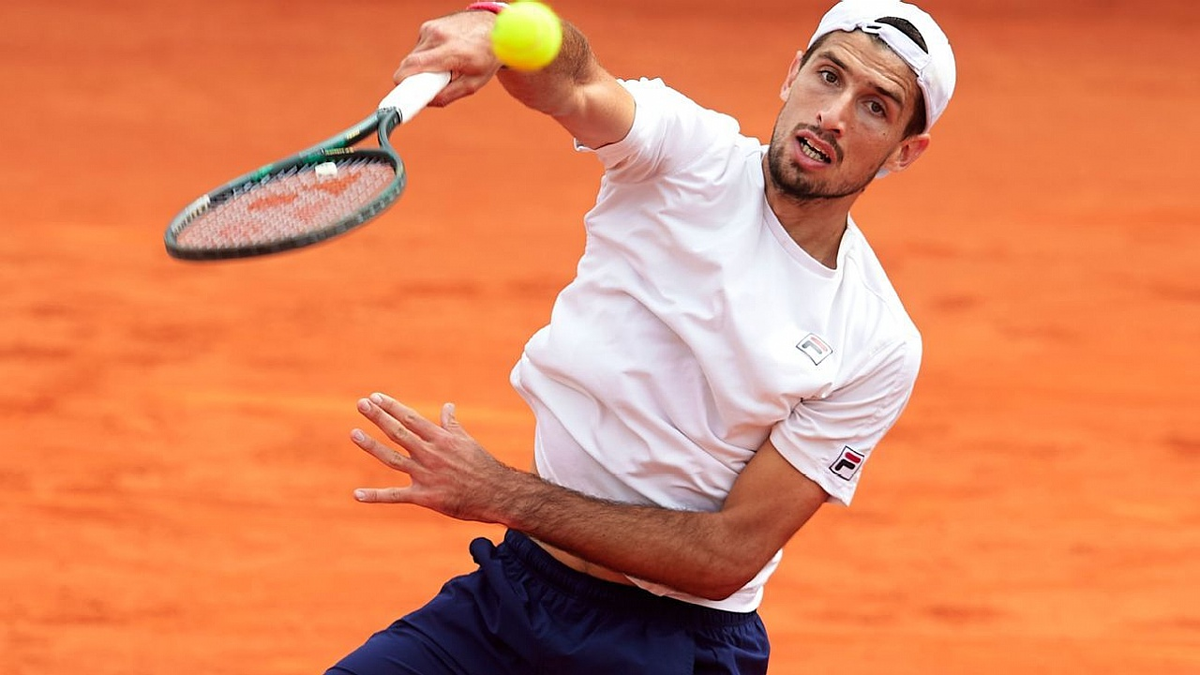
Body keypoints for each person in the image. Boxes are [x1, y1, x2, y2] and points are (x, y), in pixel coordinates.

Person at [327, 1, 956, 673]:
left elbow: (726, 555)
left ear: (905, 152)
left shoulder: (877, 340)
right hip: (513, 598)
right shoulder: (688, 152)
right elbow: (574, 80)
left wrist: (500, 493)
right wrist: (499, 27)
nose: (834, 113)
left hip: (673, 645)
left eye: (876, 108)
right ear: (793, 72)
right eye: (829, 77)